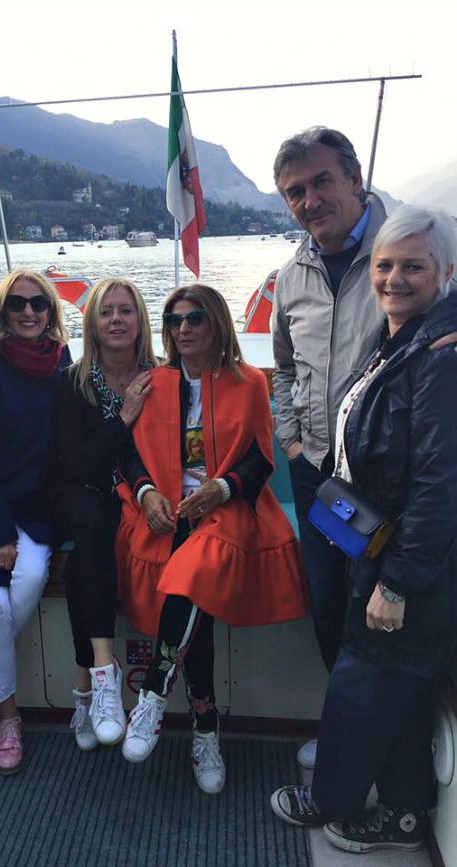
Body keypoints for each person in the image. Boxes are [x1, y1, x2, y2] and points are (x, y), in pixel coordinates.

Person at [271, 205, 457, 854]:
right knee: (399, 688)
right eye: (384, 265)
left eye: (414, 266)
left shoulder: (442, 358)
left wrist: (397, 583)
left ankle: (331, 799)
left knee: (362, 677)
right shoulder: (400, 339)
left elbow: (440, 486)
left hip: (408, 560)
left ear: (447, 272)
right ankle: (404, 813)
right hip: (373, 540)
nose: (394, 278)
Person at [116, 284, 308, 794]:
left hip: (230, 508)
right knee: (191, 592)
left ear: (217, 322)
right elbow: (127, 454)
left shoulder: (249, 383)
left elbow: (261, 459)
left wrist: (221, 489)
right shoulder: (151, 383)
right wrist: (147, 493)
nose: (183, 328)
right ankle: (205, 728)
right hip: (167, 510)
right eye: (174, 319)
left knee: (193, 571)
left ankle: (155, 691)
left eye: (195, 317)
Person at [271, 127, 387, 769]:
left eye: (321, 182)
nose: (309, 201)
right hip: (319, 476)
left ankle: (378, 750)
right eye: (295, 192)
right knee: (331, 607)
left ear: (354, 178)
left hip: (385, 483)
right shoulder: (292, 276)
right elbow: (284, 368)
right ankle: (348, 737)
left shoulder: (404, 255)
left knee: (383, 612)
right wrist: (290, 441)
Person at [0, 269, 71, 775]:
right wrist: (0, 533)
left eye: (38, 303)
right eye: (17, 304)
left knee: (30, 578)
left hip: (39, 508)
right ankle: (9, 718)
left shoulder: (61, 361)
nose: (28, 312)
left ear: (50, 311)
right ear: (2, 313)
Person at [49, 278, 156, 751]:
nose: (116, 319)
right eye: (106, 311)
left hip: (136, 491)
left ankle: (85, 690)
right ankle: (104, 672)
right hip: (77, 488)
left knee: (82, 566)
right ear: (91, 323)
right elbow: (77, 464)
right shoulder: (71, 383)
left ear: (140, 320)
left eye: (125, 310)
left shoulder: (159, 378)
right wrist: (125, 416)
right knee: (91, 527)